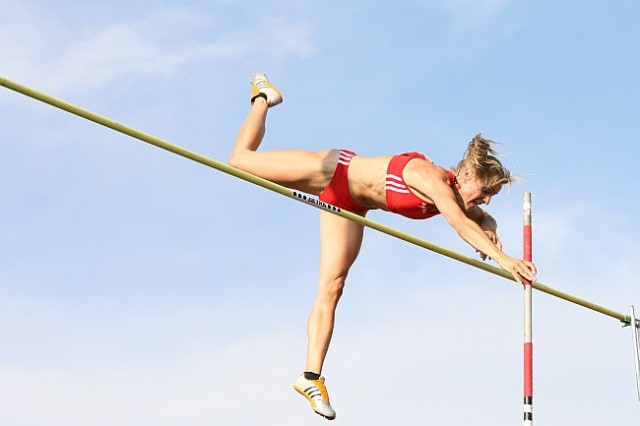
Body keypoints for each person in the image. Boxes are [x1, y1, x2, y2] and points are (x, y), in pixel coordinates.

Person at [229, 73, 537, 420]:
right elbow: (460, 224)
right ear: (465, 176)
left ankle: (310, 377)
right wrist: (504, 260)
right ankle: (263, 97)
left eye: (490, 197)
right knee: (240, 160)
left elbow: (480, 219)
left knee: (333, 286)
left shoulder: (459, 197)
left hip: (350, 207)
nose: (485, 201)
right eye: (484, 192)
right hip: (334, 172)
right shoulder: (431, 178)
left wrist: (492, 229)